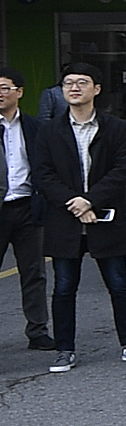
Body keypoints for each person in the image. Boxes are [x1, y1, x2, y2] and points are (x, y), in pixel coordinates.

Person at [29, 59, 126, 370]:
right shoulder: (49, 131)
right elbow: (43, 173)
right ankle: (64, 350)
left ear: (97, 89)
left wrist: (90, 201)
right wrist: (74, 203)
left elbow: (122, 170)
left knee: (119, 282)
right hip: (64, 219)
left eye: (81, 83)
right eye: (68, 83)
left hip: (105, 216)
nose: (74, 88)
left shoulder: (117, 128)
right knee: (64, 287)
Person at [0, 66, 49, 350]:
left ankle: (38, 330)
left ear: (19, 92)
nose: (0, 94)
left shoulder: (34, 127)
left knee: (34, 273)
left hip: (28, 208)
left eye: (5, 88)